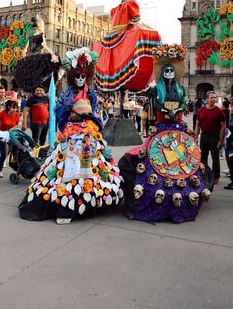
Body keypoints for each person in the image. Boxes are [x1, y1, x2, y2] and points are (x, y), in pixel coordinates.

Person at [19, 47, 124, 224]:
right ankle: (65, 198)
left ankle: (89, 196)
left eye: (83, 76)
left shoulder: (91, 93)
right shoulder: (67, 93)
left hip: (88, 136)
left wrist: (89, 114)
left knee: (89, 165)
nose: (81, 79)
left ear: (87, 76)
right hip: (70, 136)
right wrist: (70, 111)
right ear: (72, 76)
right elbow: (58, 109)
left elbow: (98, 112)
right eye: (77, 76)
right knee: (68, 166)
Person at [119, 44, 210, 224]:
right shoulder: (156, 89)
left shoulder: (180, 89)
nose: (169, 73)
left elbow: (184, 104)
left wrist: (178, 109)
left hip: (177, 127)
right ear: (162, 72)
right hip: (161, 127)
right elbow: (154, 104)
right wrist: (164, 110)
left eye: (171, 71)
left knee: (184, 158)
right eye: (166, 70)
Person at [195, 91, 226, 185]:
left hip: (214, 136)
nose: (214, 99)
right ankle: (204, 175)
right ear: (207, 99)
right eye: (212, 97)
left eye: (215, 97)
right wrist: (196, 137)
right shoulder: (201, 110)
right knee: (203, 157)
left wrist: (220, 141)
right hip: (204, 136)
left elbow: (223, 127)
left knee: (215, 158)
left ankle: (216, 176)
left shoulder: (219, 111)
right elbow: (197, 125)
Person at [0, 100, 20, 178]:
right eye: (14, 108)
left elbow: (17, 125)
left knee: (15, 153)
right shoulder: (2, 114)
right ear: (9, 107)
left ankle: (18, 170)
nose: (15, 110)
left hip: (11, 135)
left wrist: (11, 130)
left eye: (16, 108)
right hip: (1, 135)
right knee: (4, 154)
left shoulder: (16, 114)